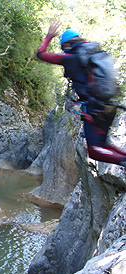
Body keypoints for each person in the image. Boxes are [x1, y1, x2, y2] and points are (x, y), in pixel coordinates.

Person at [37, 20, 126, 167]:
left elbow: (41, 54)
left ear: (66, 44)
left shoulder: (71, 57)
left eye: (64, 47)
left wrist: (49, 36)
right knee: (102, 143)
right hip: (109, 104)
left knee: (94, 150)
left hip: (94, 108)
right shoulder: (94, 53)